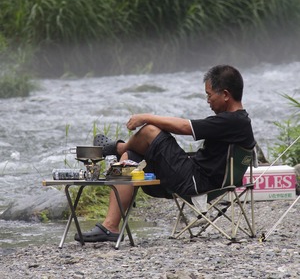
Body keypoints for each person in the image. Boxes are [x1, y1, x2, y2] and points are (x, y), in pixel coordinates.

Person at [75, 64, 256, 243]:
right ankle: (110, 227)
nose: (207, 100)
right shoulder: (239, 122)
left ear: (225, 95)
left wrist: (145, 117)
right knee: (129, 160)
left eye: (209, 95)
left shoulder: (231, 121)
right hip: (199, 178)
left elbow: (185, 127)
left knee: (149, 131)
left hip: (195, 182)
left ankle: (118, 147)